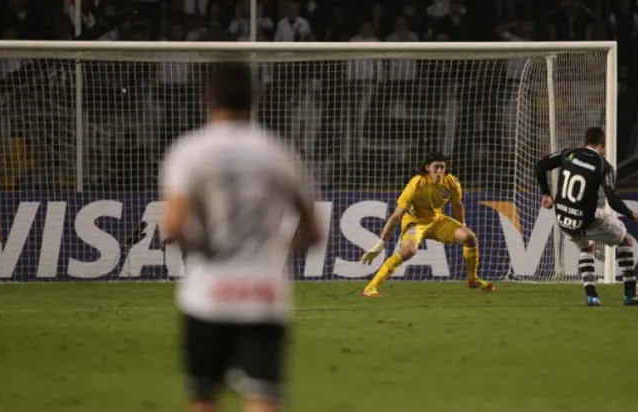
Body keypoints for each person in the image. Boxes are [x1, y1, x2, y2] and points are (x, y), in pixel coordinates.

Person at [159, 62, 322, 412]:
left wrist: (203, 246)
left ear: (207, 98)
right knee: (263, 397)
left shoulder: (189, 151)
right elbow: (313, 231)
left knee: (204, 398)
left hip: (207, 294)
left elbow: (173, 226)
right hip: (263, 293)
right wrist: (277, 249)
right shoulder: (279, 153)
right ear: (256, 99)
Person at [534, 127, 638, 306]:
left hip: (564, 219)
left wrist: (546, 193)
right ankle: (630, 293)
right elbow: (612, 200)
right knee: (626, 240)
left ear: (585, 142)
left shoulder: (569, 154)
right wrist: (630, 213)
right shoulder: (603, 166)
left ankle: (591, 295)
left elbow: (539, 166)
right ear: (602, 145)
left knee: (585, 247)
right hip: (586, 220)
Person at [359, 153, 495, 297]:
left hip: (437, 221)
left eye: (442, 167)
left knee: (469, 237)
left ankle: (472, 279)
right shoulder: (416, 183)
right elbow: (396, 216)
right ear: (427, 168)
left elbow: (457, 204)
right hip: (415, 222)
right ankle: (370, 288)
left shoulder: (452, 182)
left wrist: (462, 225)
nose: (439, 171)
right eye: (436, 167)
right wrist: (379, 245)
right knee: (408, 251)